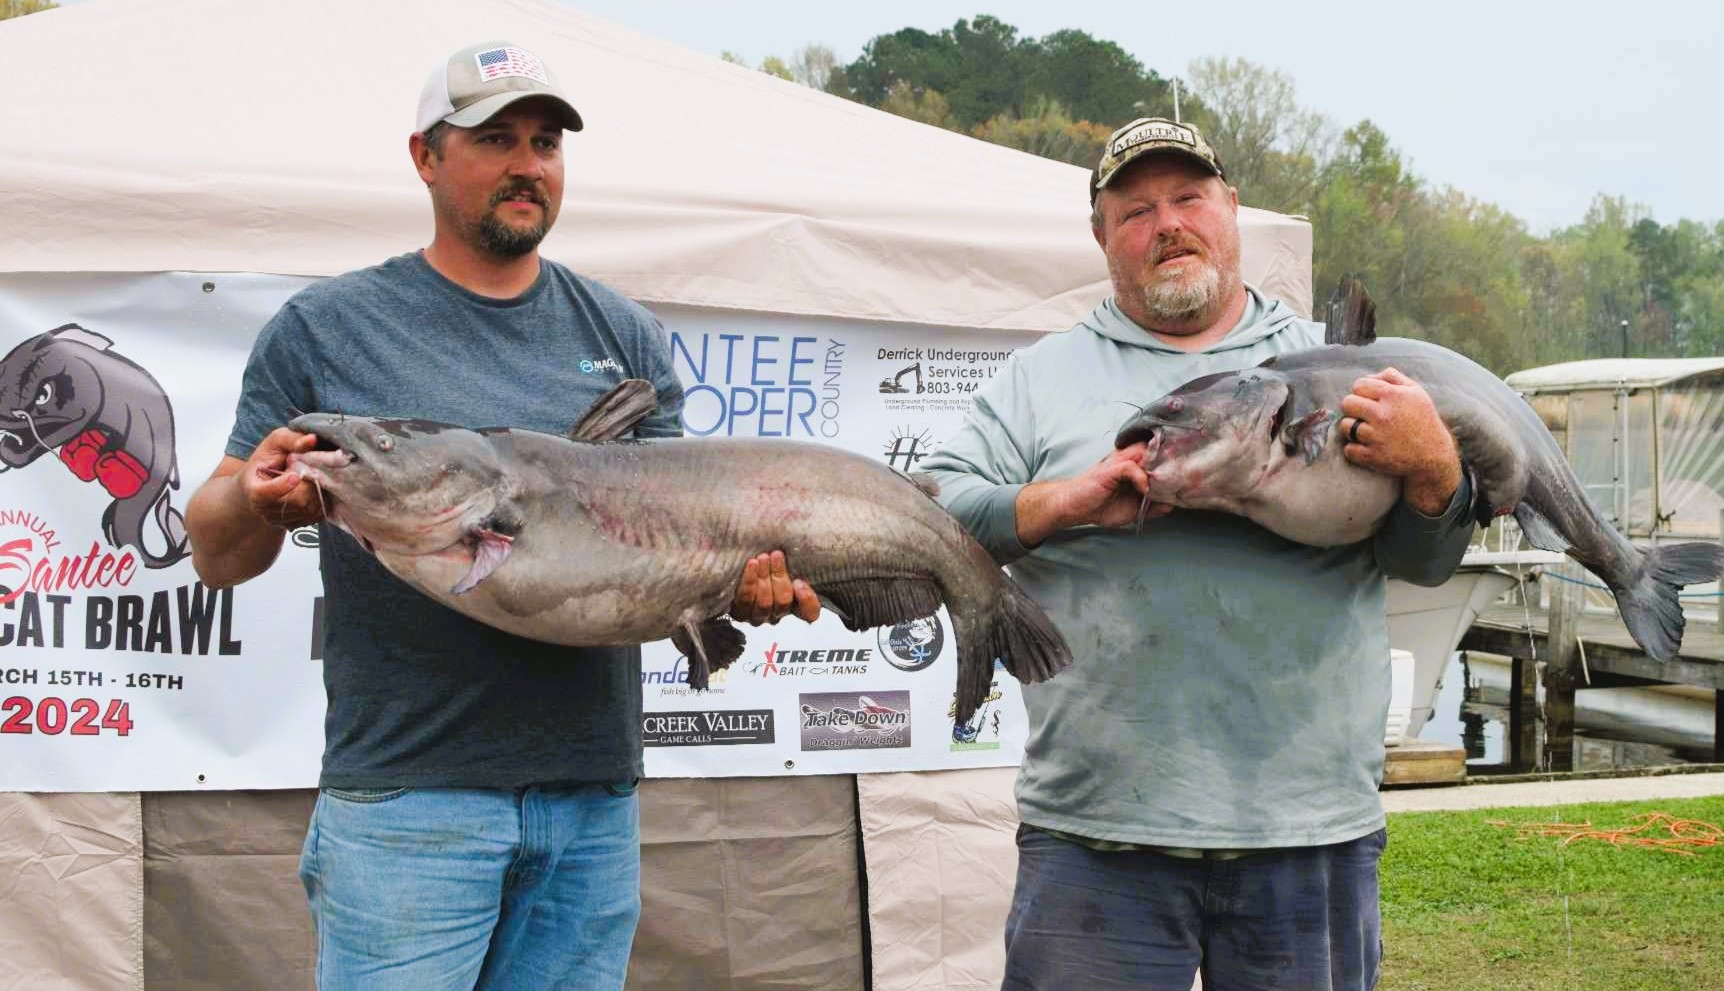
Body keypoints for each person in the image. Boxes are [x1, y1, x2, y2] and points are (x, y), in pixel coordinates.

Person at [185, 41, 816, 991]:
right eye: (496, 139)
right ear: (425, 156)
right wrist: (253, 497)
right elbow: (217, 553)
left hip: (590, 803)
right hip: (407, 805)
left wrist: (743, 583)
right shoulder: (326, 328)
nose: (528, 163)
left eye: (546, 142)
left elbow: (679, 541)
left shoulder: (622, 332)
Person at [917, 117, 1475, 990]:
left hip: (1307, 830)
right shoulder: (1038, 379)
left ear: (1232, 210)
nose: (1167, 222)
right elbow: (934, 509)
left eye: (1188, 198)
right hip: (1094, 835)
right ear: (1101, 236)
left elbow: (1426, 561)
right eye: (1135, 210)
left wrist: (1437, 472)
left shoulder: (1338, 367)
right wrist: (1056, 503)